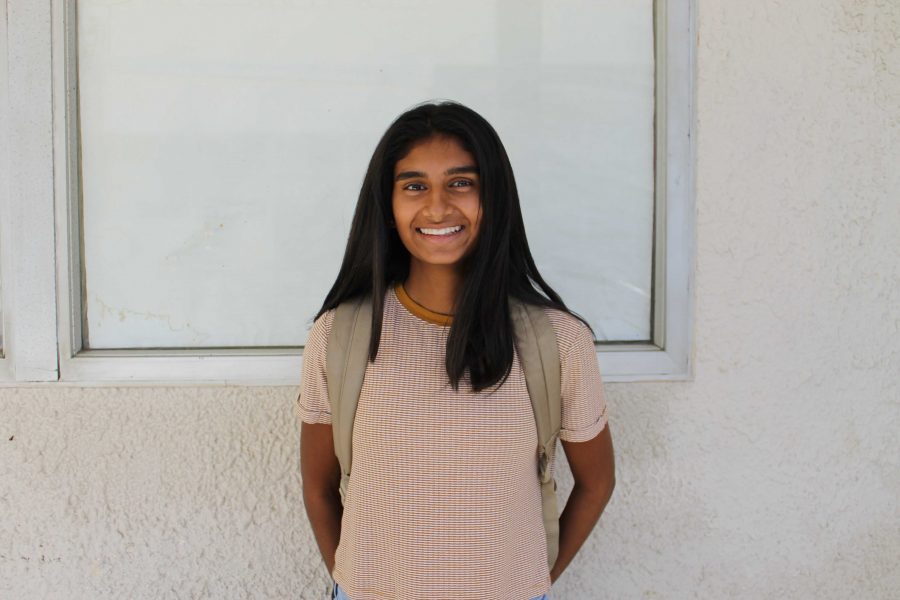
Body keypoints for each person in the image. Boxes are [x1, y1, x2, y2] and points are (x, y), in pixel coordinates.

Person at [297, 100, 615, 600]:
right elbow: (319, 486)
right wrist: (355, 581)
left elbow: (596, 484)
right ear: (388, 203)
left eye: (462, 183)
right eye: (415, 185)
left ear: (495, 197)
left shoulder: (558, 341)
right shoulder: (342, 336)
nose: (439, 207)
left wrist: (533, 582)